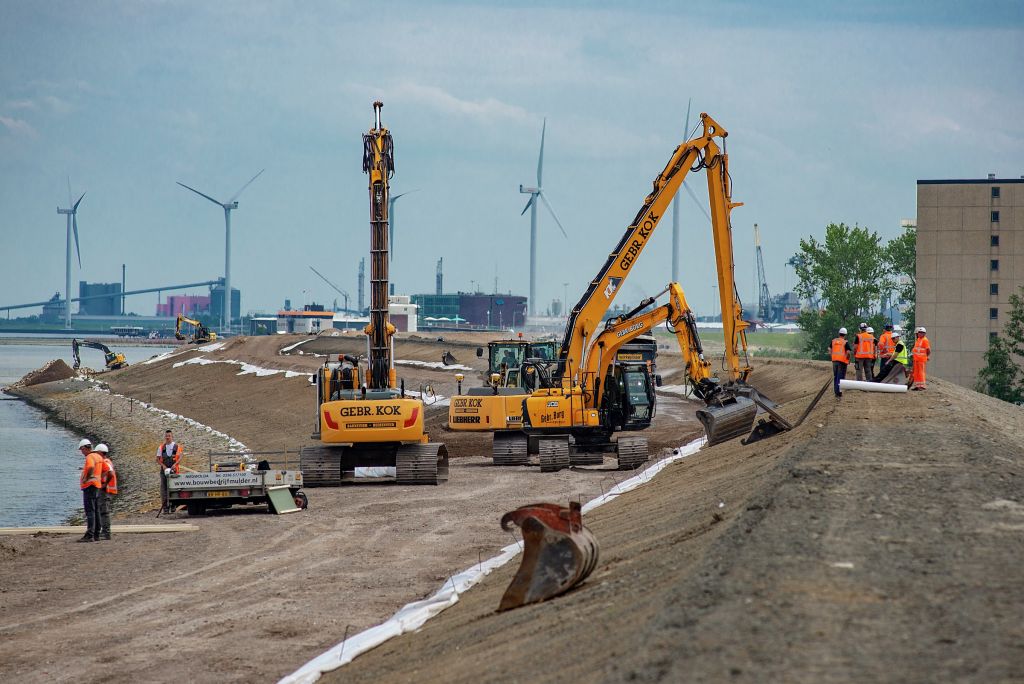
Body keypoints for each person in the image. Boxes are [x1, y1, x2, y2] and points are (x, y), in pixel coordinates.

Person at [77, 438, 103, 542]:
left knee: (90, 511)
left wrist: (86, 478)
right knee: (96, 510)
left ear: (85, 448)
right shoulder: (98, 456)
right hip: (97, 485)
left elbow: (91, 467)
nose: (82, 452)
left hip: (90, 486)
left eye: (81, 450)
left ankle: (90, 535)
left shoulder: (90, 457)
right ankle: (96, 533)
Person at [156, 429, 183, 513]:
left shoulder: (177, 447)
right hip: (163, 471)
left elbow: (181, 456)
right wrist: (163, 466)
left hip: (174, 470)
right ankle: (165, 508)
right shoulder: (161, 447)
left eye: (169, 436)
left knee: (174, 488)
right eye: (166, 436)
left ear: (172, 436)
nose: (167, 437)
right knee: (164, 489)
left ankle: (173, 506)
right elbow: (157, 459)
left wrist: (175, 464)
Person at [96, 444, 117, 541]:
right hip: (108, 490)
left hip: (106, 490)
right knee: (103, 511)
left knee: (104, 512)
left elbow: (111, 474)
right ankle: (104, 532)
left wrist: (104, 484)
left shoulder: (105, 462)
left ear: (100, 452)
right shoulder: (108, 461)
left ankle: (106, 533)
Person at [831, 327, 852, 397]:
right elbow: (848, 352)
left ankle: (836, 391)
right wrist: (848, 359)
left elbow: (829, 349)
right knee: (840, 377)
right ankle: (838, 392)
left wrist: (833, 356)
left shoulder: (833, 341)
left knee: (835, 376)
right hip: (842, 362)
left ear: (839, 333)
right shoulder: (845, 342)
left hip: (834, 361)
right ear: (845, 335)